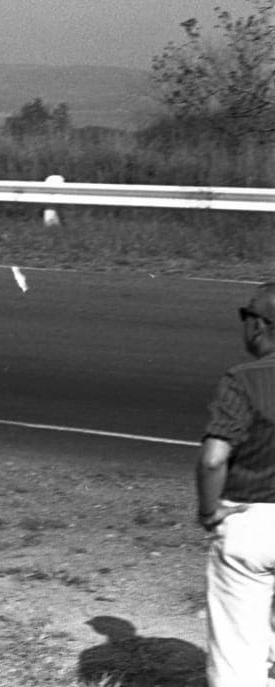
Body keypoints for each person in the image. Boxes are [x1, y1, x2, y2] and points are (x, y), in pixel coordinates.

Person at [196, 281, 275, 687]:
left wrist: (209, 512)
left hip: (251, 522)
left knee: (238, 660)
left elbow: (213, 459)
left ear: (260, 325)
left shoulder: (243, 379)